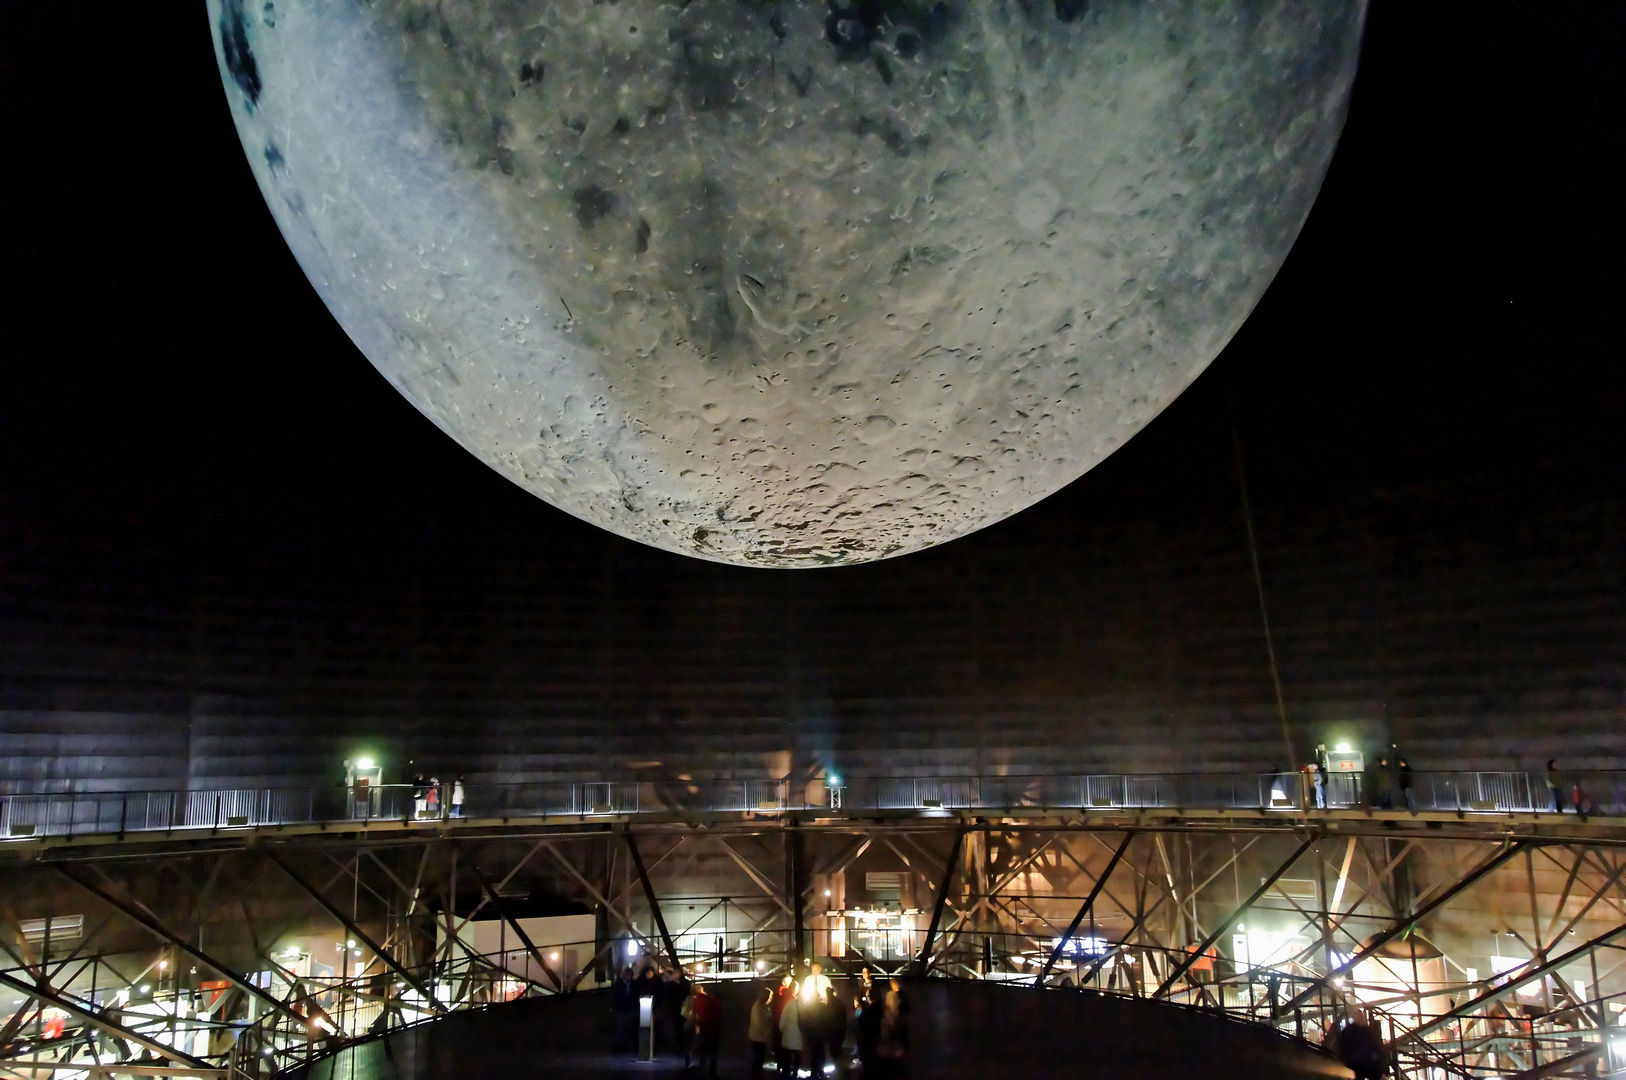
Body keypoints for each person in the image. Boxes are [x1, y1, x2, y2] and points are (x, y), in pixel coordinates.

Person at [690, 983, 722, 1079]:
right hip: (713, 1028)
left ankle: (702, 1071)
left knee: (703, 1052)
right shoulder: (711, 1000)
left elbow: (695, 1015)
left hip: (703, 1028)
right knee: (713, 1053)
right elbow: (718, 1010)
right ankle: (713, 1073)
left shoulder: (696, 1001)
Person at [748, 985, 775, 1077]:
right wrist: (768, 1031)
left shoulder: (761, 1006)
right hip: (758, 1038)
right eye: (769, 997)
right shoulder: (759, 1007)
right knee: (758, 1059)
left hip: (758, 1037)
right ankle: (756, 1076)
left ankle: (756, 1075)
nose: (770, 999)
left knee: (758, 1059)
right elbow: (760, 1023)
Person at [777, 985, 803, 1078]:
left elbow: (783, 1018)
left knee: (786, 1056)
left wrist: (781, 1028)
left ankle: (786, 1073)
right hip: (799, 1037)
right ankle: (795, 1072)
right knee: (797, 1056)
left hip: (788, 1036)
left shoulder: (789, 1003)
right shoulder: (804, 1005)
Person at [612, 967, 638, 1055]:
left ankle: (627, 1046)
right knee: (620, 1028)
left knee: (629, 1028)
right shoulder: (618, 984)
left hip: (630, 1009)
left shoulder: (634, 984)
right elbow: (614, 997)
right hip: (621, 1009)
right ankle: (619, 1046)